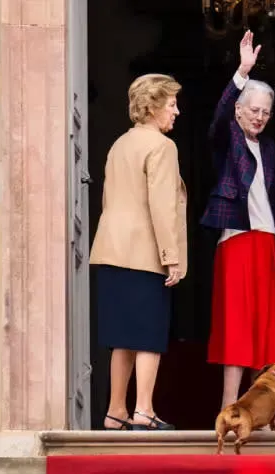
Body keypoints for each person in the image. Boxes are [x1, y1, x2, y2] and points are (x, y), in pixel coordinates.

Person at [201, 31, 275, 409]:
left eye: (265, 112)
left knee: (268, 328)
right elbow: (219, 116)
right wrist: (242, 72)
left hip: (266, 242)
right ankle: (230, 408)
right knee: (238, 327)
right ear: (239, 110)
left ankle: (262, 410)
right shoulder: (227, 138)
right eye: (253, 110)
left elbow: (272, 196)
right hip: (238, 241)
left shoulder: (270, 148)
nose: (259, 117)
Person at [89, 73, 188, 431]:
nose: (176, 111)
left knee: (122, 337)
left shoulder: (119, 144)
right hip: (145, 252)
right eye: (172, 104)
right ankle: (144, 410)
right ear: (153, 107)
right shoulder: (162, 146)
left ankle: (116, 411)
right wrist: (171, 256)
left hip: (111, 250)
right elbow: (162, 206)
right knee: (148, 334)